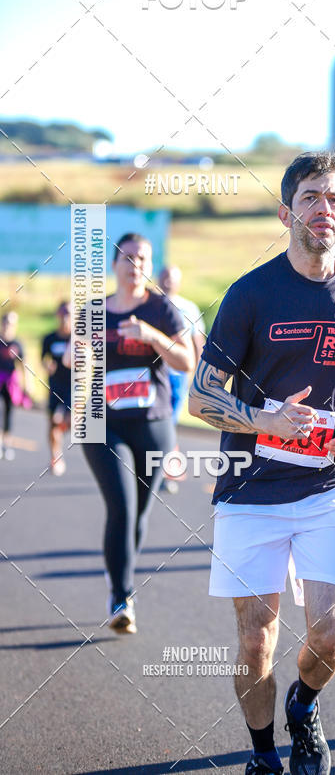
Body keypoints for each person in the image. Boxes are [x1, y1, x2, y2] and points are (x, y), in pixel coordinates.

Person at [189, 151, 335, 775]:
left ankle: (304, 707)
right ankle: (262, 754)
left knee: (330, 633)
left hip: (328, 485)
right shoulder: (251, 293)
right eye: (310, 197)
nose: (323, 209)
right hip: (251, 489)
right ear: (287, 212)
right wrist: (264, 420)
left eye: (334, 199)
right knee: (256, 638)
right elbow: (202, 396)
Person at [72, 234, 194, 634]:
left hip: (153, 423)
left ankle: (120, 578)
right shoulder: (94, 311)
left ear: (149, 263)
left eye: (141, 257)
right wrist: (79, 356)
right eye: (126, 256)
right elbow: (77, 359)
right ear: (115, 264)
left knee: (139, 514)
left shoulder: (161, 309)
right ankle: (122, 596)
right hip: (103, 423)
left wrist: (151, 337)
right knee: (122, 508)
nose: (134, 263)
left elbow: (186, 361)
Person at [158, 266, 205, 493]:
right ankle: (164, 470)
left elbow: (198, 342)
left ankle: (165, 469)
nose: (167, 282)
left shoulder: (188, 308)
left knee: (170, 421)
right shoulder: (150, 305)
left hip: (178, 374)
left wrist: (199, 374)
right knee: (160, 421)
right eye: (164, 277)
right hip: (154, 373)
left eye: (171, 279)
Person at [41, 301, 72, 476]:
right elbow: (43, 359)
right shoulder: (49, 338)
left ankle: (61, 431)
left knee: (68, 420)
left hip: (74, 387)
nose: (65, 318)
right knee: (53, 421)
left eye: (69, 313)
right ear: (57, 315)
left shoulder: (77, 338)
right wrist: (47, 366)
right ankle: (56, 455)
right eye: (62, 314)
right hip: (55, 386)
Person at [0, 311, 33, 461]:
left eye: (12, 323)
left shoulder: (17, 343)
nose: (8, 326)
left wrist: (28, 384)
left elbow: (23, 364)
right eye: (6, 322)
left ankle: (6, 444)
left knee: (8, 412)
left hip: (11, 382)